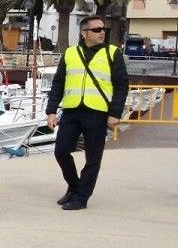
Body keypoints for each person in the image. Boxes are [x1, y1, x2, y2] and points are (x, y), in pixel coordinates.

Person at [45, 15, 128, 210]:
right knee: (61, 151)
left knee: (93, 158)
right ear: (84, 33)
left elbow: (122, 86)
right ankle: (74, 187)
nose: (102, 33)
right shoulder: (70, 53)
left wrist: (115, 113)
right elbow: (58, 83)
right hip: (72, 111)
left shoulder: (112, 53)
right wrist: (51, 111)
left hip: (97, 112)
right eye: (97, 30)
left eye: (103, 30)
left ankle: (82, 197)